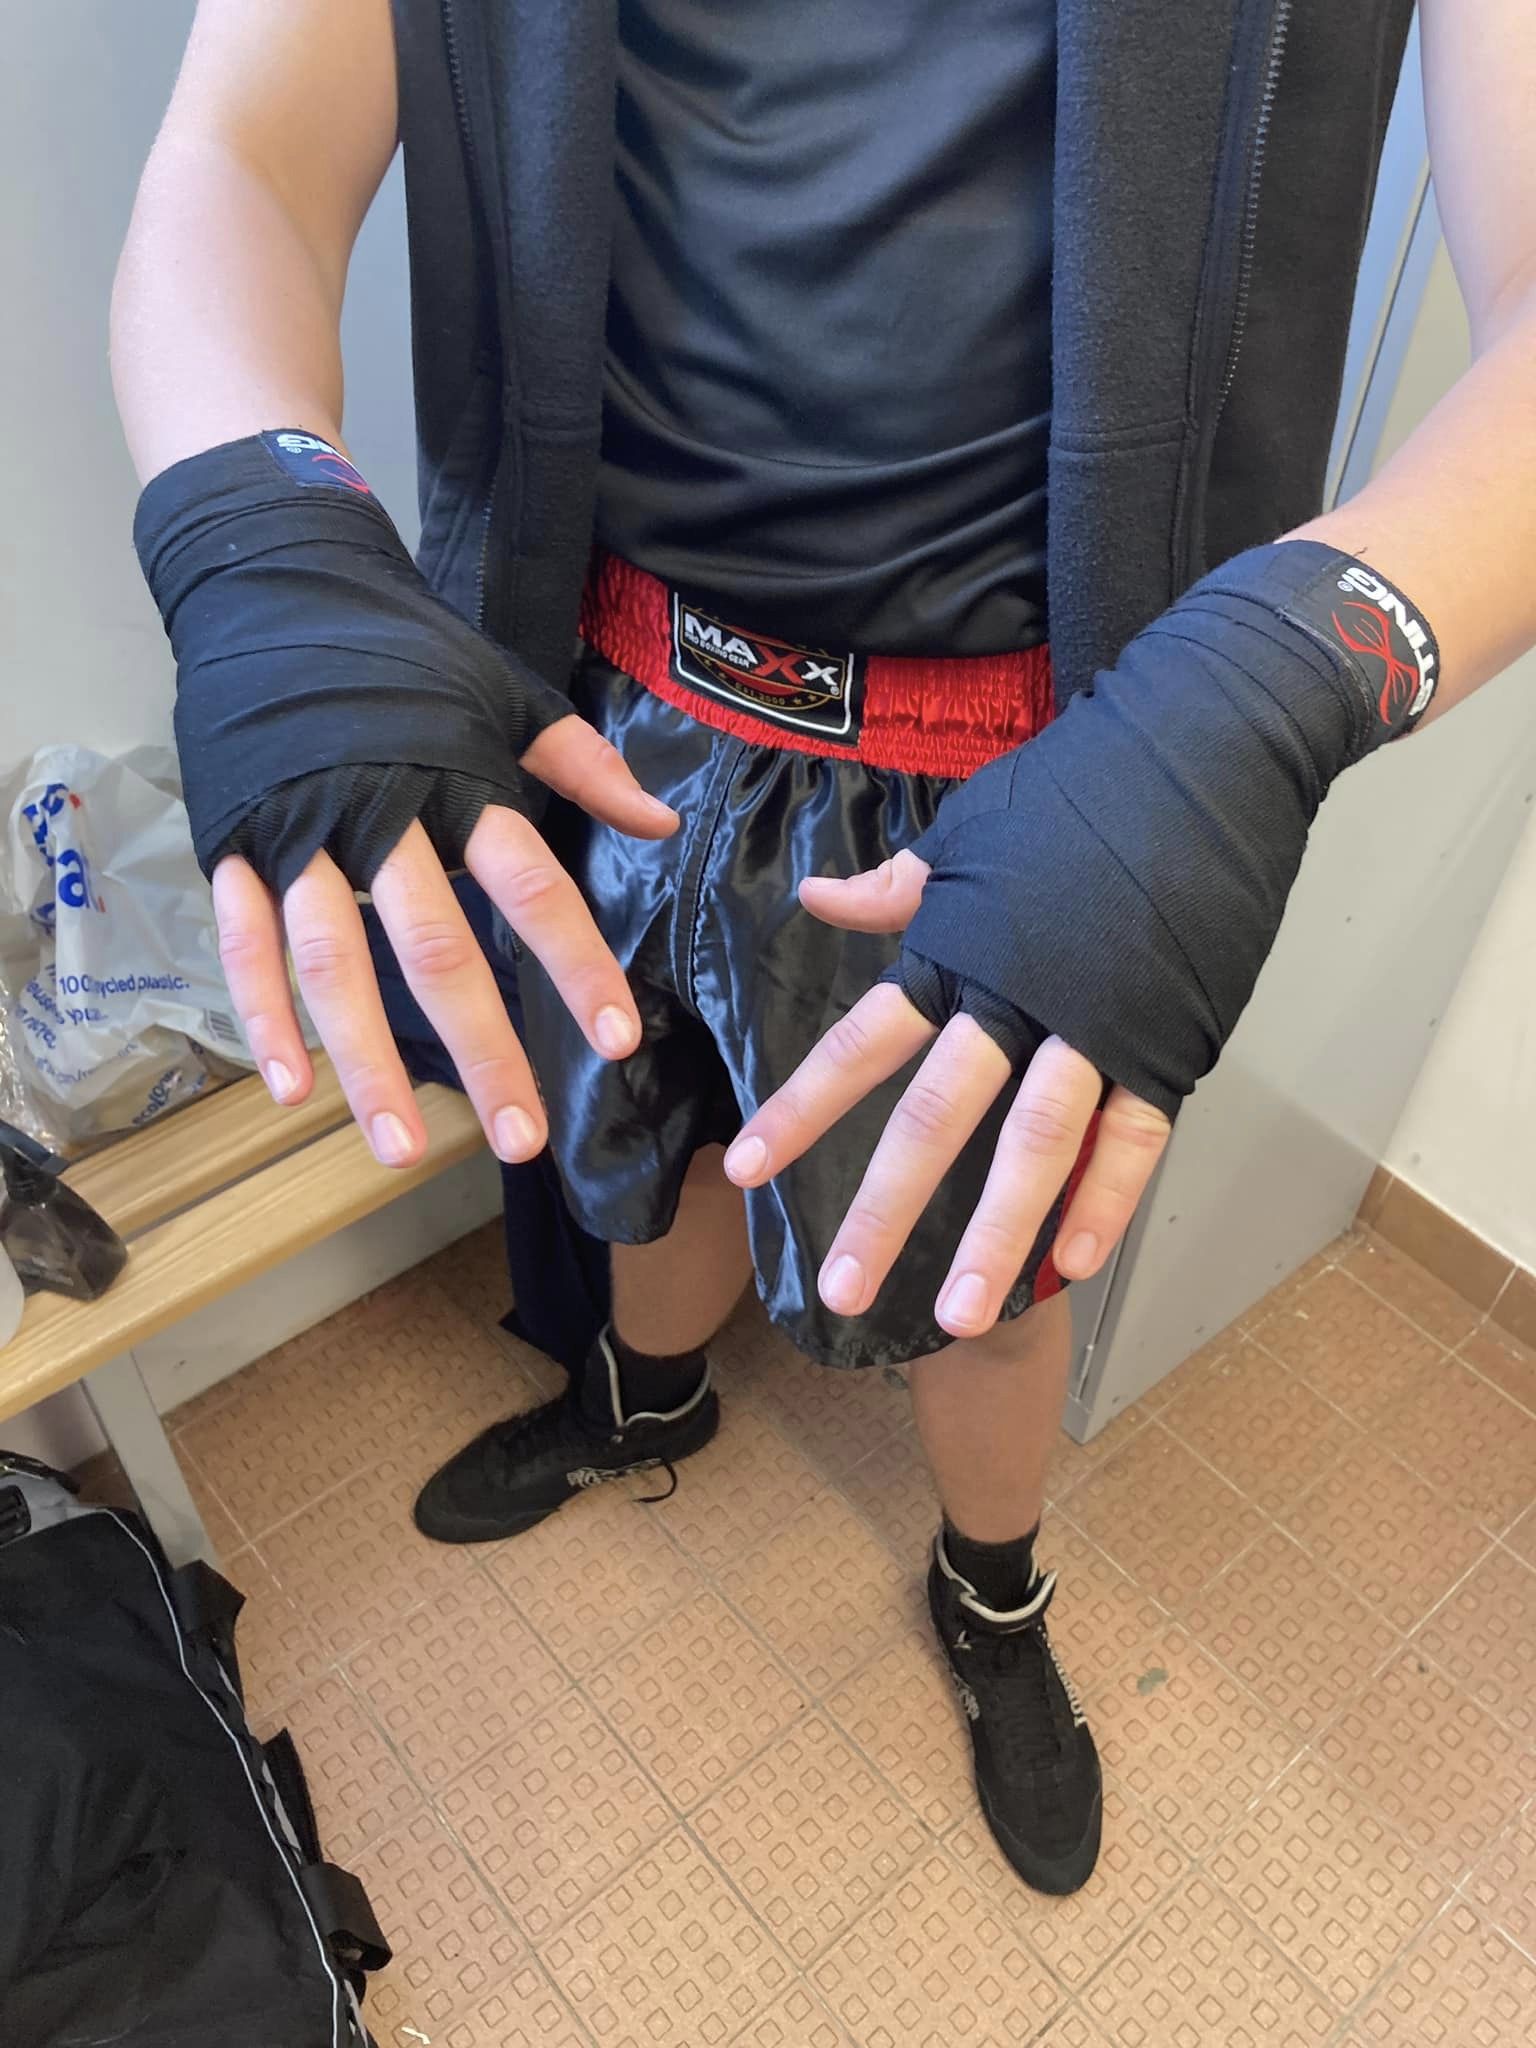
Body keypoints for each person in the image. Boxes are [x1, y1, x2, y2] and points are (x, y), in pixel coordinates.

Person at [114, 0, 1536, 1896]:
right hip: (613, 687)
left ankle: (993, 1591)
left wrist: (1283, 682)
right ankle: (646, 1405)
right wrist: (256, 536)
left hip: (1015, 773)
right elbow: (245, 146)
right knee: (655, 1121)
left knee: (989, 1265)